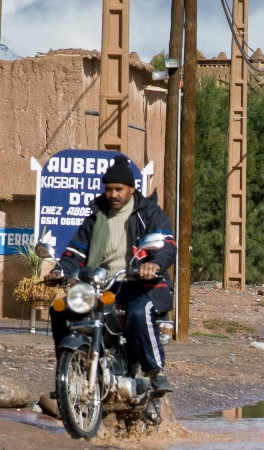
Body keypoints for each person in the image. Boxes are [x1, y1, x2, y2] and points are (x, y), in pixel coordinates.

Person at [45, 154, 177, 396]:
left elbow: (167, 244)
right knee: (61, 308)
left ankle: (154, 372)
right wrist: (59, 270)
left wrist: (153, 265)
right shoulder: (97, 217)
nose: (113, 194)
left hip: (143, 284)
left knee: (140, 312)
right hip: (102, 285)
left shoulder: (147, 213)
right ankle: (69, 375)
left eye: (118, 189)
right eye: (108, 189)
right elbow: (75, 251)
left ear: (131, 189)